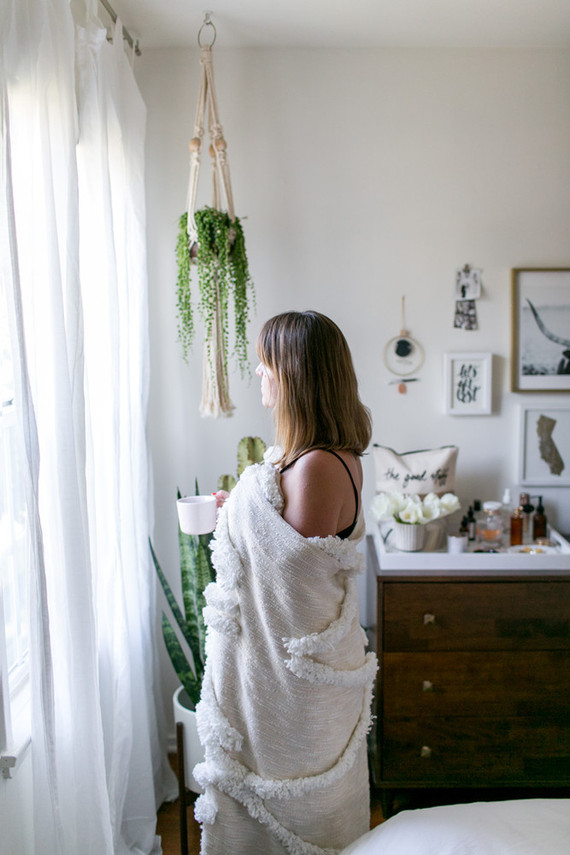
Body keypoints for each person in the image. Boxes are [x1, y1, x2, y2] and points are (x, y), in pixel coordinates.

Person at [194, 311, 378, 855]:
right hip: (298, 673)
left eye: (266, 362)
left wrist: (238, 518)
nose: (257, 371)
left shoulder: (316, 466)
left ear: (293, 373)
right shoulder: (310, 458)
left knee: (293, 819)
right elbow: (287, 537)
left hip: (292, 686)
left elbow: (286, 574)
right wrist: (241, 511)